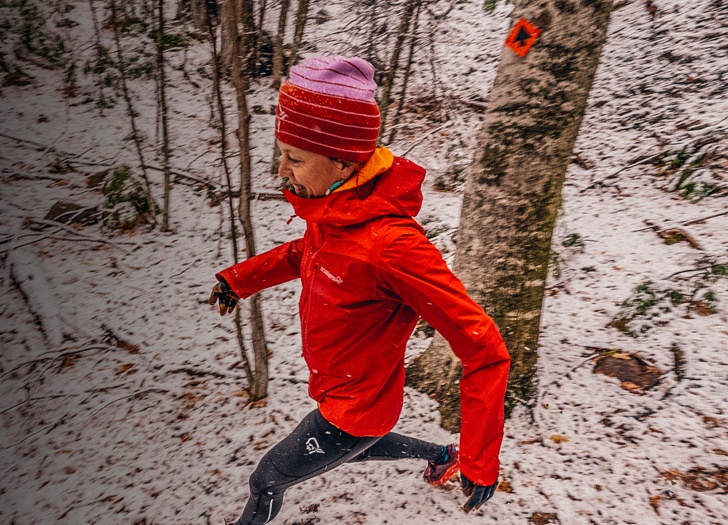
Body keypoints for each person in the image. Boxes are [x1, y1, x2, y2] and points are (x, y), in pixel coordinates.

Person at [207, 55, 510, 524]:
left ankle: (453, 457)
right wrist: (239, 279)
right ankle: (440, 454)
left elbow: (484, 347)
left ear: (343, 162)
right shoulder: (336, 210)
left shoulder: (392, 245)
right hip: (346, 396)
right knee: (353, 448)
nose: (281, 170)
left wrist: (480, 458)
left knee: (267, 479)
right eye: (281, 152)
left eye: (295, 158)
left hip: (354, 410)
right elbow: (302, 253)